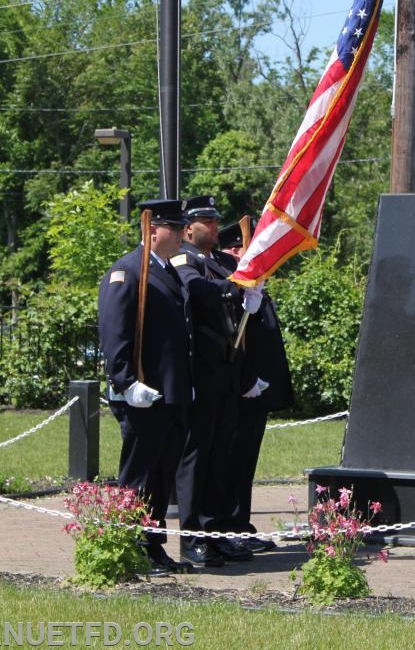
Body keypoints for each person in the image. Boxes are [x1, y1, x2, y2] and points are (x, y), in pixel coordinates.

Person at [97, 199, 194, 575]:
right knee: (139, 477)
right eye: (175, 226)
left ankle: (152, 548)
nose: (184, 234)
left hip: (167, 395)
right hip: (141, 395)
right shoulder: (127, 272)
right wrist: (125, 382)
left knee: (160, 476)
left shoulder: (166, 271)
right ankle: (128, 547)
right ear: (152, 230)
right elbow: (114, 334)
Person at [170, 196, 262, 566]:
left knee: (223, 455)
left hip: (226, 370)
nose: (212, 226)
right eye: (205, 221)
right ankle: (193, 535)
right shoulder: (184, 259)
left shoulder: (221, 262)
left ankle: (219, 530)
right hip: (203, 373)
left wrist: (248, 292)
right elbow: (195, 290)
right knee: (197, 456)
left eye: (214, 220)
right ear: (188, 227)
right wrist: (234, 289)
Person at [218, 220, 295, 553]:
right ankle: (228, 525)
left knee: (245, 462)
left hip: (256, 392)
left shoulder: (252, 284)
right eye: (239, 249)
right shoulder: (227, 282)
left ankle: (241, 524)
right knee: (230, 461)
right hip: (237, 391)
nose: (244, 254)